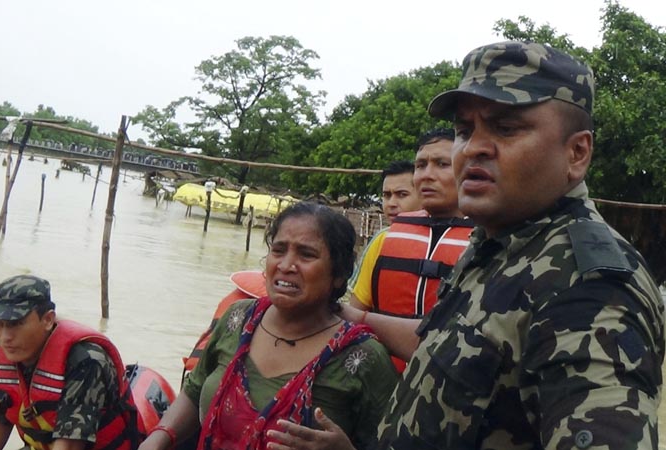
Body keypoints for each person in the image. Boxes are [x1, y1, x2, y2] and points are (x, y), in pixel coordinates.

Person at [272, 40, 665, 450]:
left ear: (577, 153)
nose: (473, 147)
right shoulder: (497, 243)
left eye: (506, 128)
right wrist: (351, 317)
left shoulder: (591, 291)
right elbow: (447, 346)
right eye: (464, 130)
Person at [140, 202, 398, 450]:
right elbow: (195, 390)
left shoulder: (363, 358)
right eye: (278, 250)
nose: (286, 266)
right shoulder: (238, 319)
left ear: (339, 273)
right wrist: (160, 437)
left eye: (307, 254)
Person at [348, 128, 473, 371]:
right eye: (421, 165)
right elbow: (352, 318)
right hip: (385, 383)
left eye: (441, 164)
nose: (427, 175)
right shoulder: (384, 240)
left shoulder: (491, 242)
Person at [0, 274, 141, 450]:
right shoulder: (2, 359)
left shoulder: (86, 363)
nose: (5, 337)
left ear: (48, 320)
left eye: (16, 323)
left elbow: (69, 444)